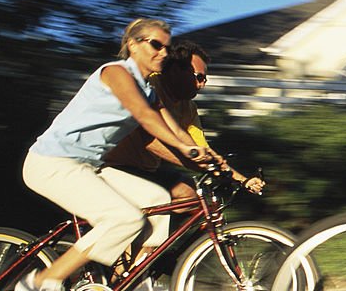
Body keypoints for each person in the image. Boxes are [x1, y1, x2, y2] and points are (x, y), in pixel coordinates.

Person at [15, 19, 219, 291]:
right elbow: (145, 117)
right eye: (156, 45)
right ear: (134, 44)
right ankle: (43, 282)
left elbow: (176, 130)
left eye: (166, 47)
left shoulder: (149, 88)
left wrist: (217, 163)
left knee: (157, 199)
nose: (163, 52)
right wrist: (184, 149)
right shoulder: (116, 73)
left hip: (88, 166)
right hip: (53, 163)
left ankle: (133, 281)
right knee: (124, 219)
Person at [103, 41, 266, 205]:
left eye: (205, 80)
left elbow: (201, 148)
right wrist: (197, 164)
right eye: (199, 77)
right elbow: (148, 141)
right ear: (176, 70)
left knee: (191, 196)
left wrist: (242, 179)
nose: (202, 85)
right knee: (159, 198)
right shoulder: (150, 86)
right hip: (112, 165)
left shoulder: (189, 108)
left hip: (146, 170)